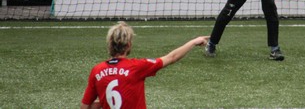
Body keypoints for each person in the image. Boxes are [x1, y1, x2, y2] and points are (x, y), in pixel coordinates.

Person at [80, 21, 209, 109]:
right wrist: (194, 41)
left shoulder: (97, 70)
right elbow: (172, 57)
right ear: (129, 45)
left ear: (109, 44)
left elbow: (85, 106)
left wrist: (103, 100)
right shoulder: (137, 66)